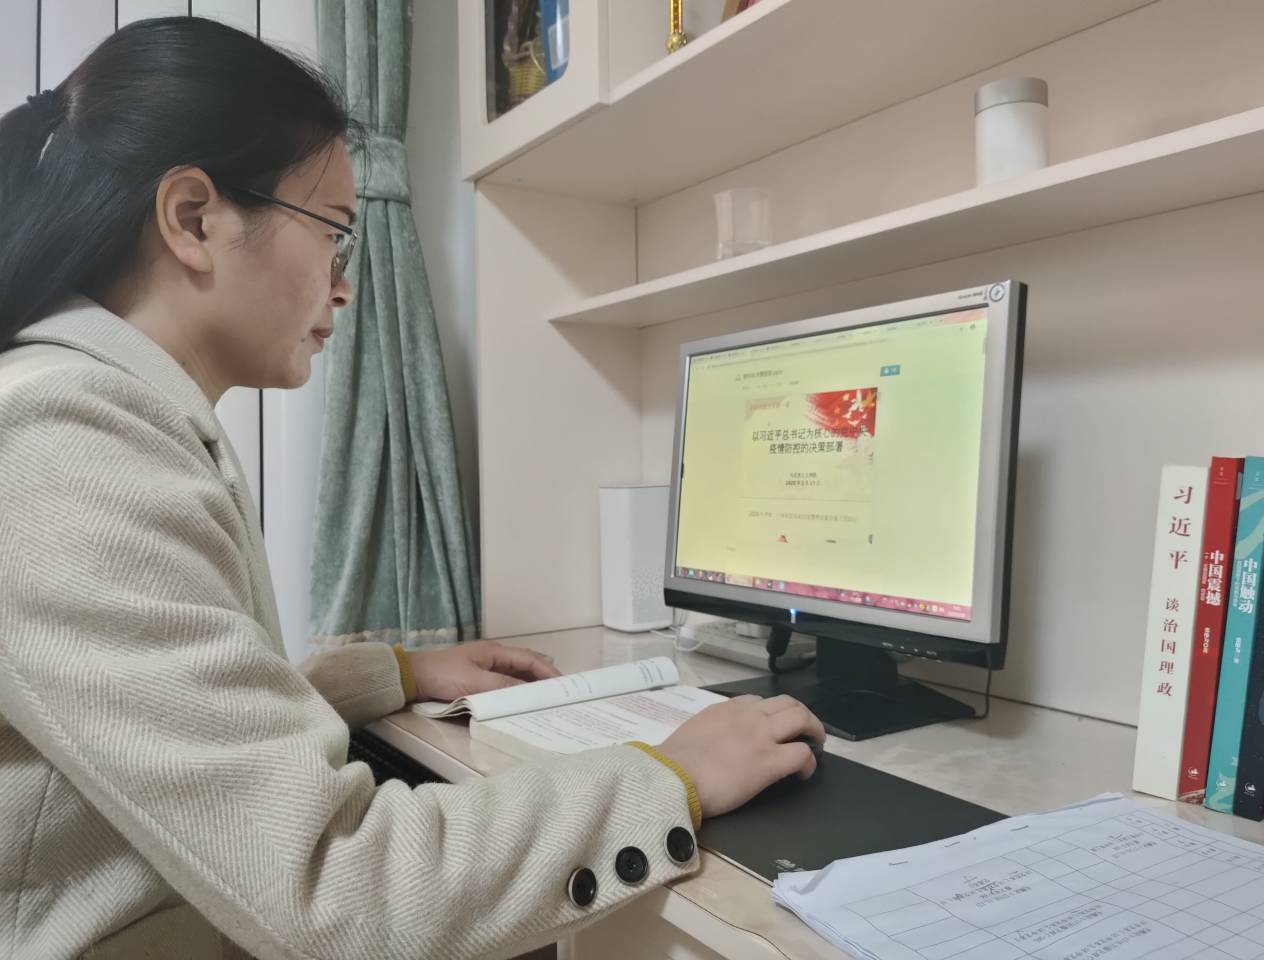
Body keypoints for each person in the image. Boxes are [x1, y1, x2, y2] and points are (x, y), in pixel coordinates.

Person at [0, 17, 825, 960]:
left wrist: (390, 676)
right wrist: (667, 777)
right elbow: (335, 884)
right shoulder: (64, 443)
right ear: (193, 219)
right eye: (334, 235)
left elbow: (177, 735)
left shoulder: (102, 415)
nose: (344, 287)